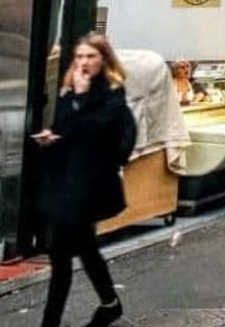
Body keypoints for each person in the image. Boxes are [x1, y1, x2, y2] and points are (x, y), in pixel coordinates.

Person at [37, 33, 138, 327]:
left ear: (103, 60)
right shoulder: (70, 90)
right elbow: (66, 128)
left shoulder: (111, 94)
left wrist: (80, 99)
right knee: (79, 250)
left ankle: (53, 322)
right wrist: (51, 137)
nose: (83, 62)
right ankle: (109, 303)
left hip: (89, 186)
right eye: (79, 56)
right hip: (65, 182)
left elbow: (98, 133)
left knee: (64, 254)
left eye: (90, 56)